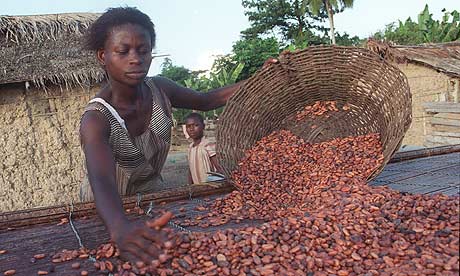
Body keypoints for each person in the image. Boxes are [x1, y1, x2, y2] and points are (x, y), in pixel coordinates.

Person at [79, 6, 277, 264]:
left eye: (143, 50)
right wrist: (120, 228)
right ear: (103, 56)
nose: (135, 58)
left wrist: (259, 79)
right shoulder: (96, 119)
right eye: (123, 51)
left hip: (151, 195)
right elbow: (102, 179)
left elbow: (206, 100)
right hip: (108, 209)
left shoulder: (160, 89)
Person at [184, 113, 224, 184]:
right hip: (197, 188)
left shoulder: (208, 145)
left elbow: (219, 167)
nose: (191, 129)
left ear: (203, 126)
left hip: (210, 187)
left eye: (196, 125)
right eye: (188, 126)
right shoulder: (190, 148)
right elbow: (190, 169)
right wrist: (189, 186)